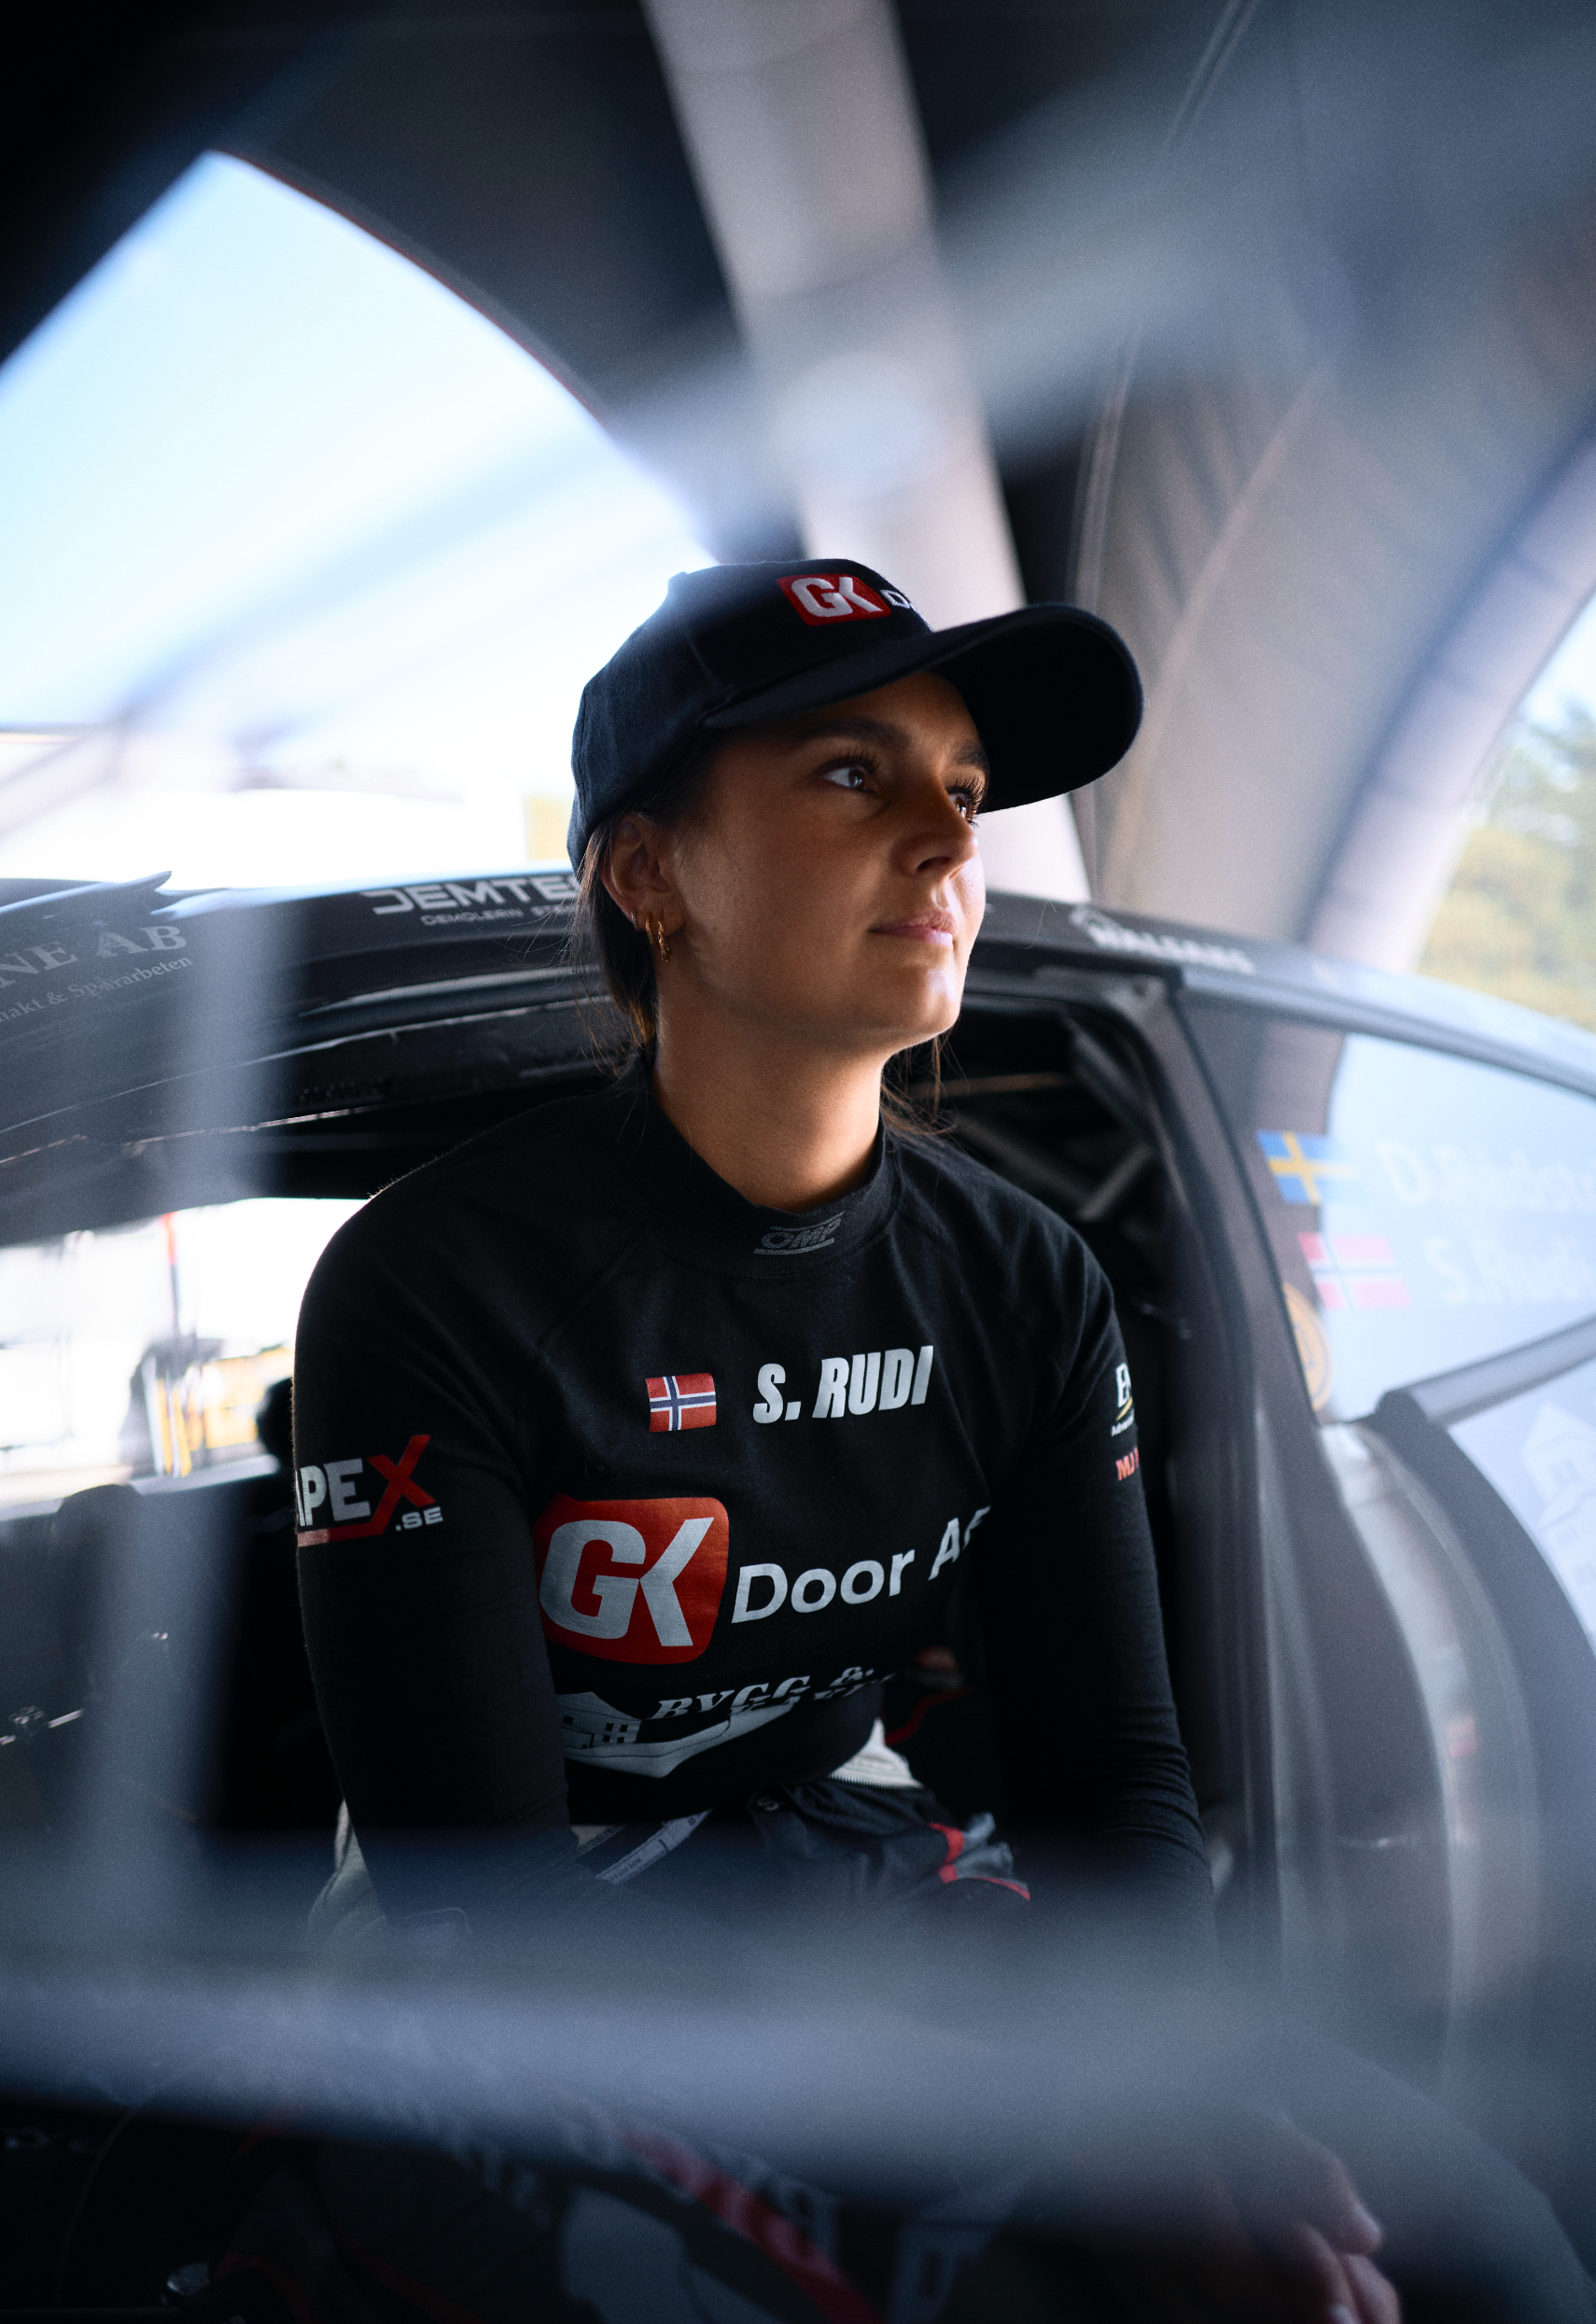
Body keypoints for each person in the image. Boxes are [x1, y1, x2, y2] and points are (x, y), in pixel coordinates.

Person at [285, 561, 1416, 2321]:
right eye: (849, 772)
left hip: (845, 1851)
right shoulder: (432, 1279)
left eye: (961, 790)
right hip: (503, 1946)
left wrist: (1184, 2089)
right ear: (649, 872)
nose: (947, 841)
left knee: (1440, 2235)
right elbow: (481, 1916)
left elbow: (1105, 1782)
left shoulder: (1026, 1278)